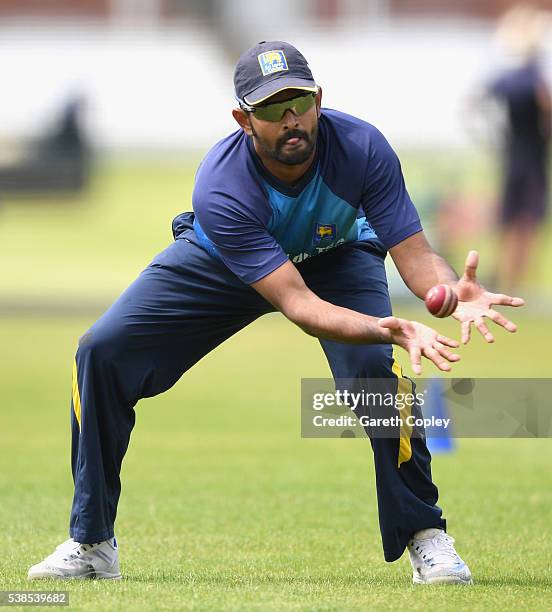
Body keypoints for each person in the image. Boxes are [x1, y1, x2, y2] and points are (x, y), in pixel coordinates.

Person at [28, 41, 524, 585]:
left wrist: (452, 292)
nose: (290, 120)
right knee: (101, 352)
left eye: (299, 102)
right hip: (228, 261)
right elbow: (297, 304)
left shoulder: (362, 147)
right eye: (270, 109)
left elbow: (416, 256)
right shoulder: (222, 184)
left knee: (375, 378)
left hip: (336, 253)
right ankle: (92, 542)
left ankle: (425, 533)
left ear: (319, 99)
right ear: (243, 119)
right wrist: (384, 326)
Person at [488, 5, 551, 293]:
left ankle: (509, 275)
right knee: (524, 218)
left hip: (517, 153)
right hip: (528, 156)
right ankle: (512, 277)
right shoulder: (530, 79)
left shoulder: (514, 78)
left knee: (515, 217)